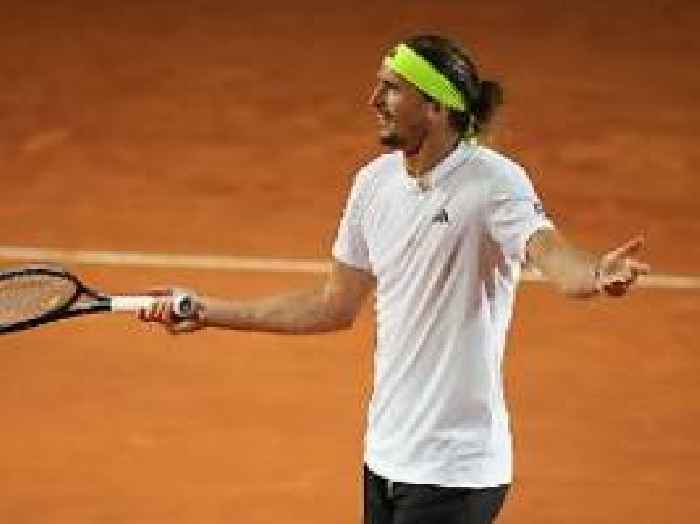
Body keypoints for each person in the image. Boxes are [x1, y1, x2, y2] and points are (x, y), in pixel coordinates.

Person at [140, 34, 650, 524]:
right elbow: (333, 305)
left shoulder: (494, 182)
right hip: (386, 457)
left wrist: (595, 274)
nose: (373, 100)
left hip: (455, 470)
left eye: (392, 89)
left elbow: (549, 252)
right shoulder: (373, 184)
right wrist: (206, 311)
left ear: (436, 106)